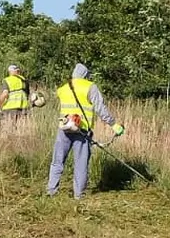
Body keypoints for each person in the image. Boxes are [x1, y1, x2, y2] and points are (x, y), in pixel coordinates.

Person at [47, 63, 125, 199]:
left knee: (57, 161)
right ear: (86, 75)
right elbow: (100, 108)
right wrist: (114, 124)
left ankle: (51, 191)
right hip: (81, 130)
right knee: (81, 163)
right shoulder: (90, 87)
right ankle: (78, 195)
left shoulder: (63, 88)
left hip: (64, 128)